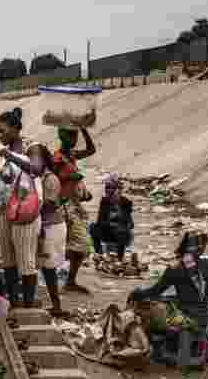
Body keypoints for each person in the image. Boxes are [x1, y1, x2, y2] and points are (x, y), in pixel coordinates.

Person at [129, 232, 208, 368]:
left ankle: (159, 351)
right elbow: (194, 293)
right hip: (204, 316)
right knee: (167, 302)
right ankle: (183, 353)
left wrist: (137, 293)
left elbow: (154, 291)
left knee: (147, 309)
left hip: (187, 318)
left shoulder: (176, 268)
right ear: (202, 247)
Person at [0, 107, 45, 308]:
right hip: (6, 209)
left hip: (26, 211)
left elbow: (37, 168)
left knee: (26, 259)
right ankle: (15, 301)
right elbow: (8, 179)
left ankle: (29, 303)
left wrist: (10, 157)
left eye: (2, 130)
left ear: (15, 129)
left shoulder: (31, 146)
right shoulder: (6, 153)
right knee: (8, 258)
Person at [52, 126, 97, 294]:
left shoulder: (71, 156)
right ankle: (59, 274)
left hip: (75, 204)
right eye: (71, 135)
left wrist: (84, 129)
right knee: (81, 244)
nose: (74, 139)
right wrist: (70, 177)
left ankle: (68, 280)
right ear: (62, 137)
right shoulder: (57, 158)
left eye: (75, 136)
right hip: (65, 205)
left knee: (76, 245)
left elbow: (91, 149)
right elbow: (51, 177)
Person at [34, 145, 68, 318]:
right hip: (46, 225)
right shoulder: (40, 177)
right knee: (44, 266)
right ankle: (52, 303)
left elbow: (50, 204)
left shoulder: (50, 179)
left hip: (51, 227)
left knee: (48, 267)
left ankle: (56, 305)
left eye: (34, 158)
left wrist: (30, 206)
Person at [89, 174, 134, 264]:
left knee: (122, 231)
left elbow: (128, 222)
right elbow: (100, 220)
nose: (109, 190)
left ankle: (119, 257)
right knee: (93, 228)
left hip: (121, 232)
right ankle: (99, 253)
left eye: (112, 188)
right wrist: (109, 224)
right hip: (107, 230)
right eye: (107, 188)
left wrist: (119, 222)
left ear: (118, 190)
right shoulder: (105, 201)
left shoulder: (126, 202)